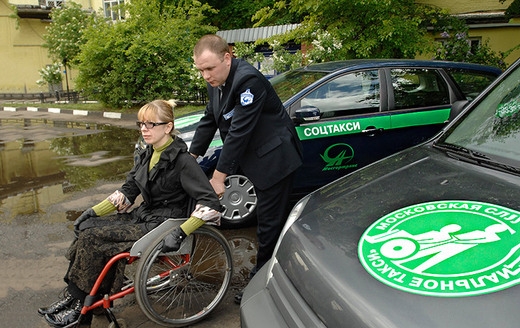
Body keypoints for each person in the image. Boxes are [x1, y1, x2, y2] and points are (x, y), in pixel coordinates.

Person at [38, 100, 222, 327]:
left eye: (150, 124)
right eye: (141, 123)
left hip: (163, 224)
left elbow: (211, 202)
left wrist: (182, 231)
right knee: (88, 227)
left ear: (167, 127)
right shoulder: (148, 155)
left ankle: (80, 305)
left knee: (94, 238)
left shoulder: (183, 162)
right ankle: (78, 296)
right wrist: (92, 212)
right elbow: (128, 190)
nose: (144, 129)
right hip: (144, 216)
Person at [189, 34, 303, 302]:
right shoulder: (216, 81)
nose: (205, 75)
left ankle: (261, 283)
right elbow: (210, 118)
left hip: (275, 159)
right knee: (271, 221)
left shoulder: (248, 80)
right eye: (200, 70)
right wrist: (191, 154)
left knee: (268, 225)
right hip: (256, 156)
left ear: (227, 57)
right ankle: (280, 265)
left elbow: (239, 131)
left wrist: (219, 177)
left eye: (209, 68)